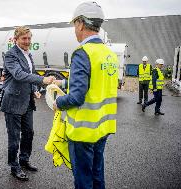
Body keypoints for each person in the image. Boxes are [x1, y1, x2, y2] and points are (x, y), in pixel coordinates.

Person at [53, 2, 118, 188]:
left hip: (83, 131)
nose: (75, 29)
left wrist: (58, 101)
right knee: (97, 175)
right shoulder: (109, 54)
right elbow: (96, 83)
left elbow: (76, 97)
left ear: (81, 23)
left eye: (74, 24)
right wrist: (63, 82)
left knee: (83, 180)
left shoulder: (82, 53)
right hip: (103, 127)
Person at [0, 26, 55, 181]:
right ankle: (14, 166)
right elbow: (18, 74)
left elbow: (30, 75)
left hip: (27, 101)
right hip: (13, 102)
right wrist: (42, 80)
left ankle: (24, 160)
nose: (27, 41)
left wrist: (35, 88)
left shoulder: (28, 55)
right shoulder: (11, 55)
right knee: (14, 137)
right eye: (24, 38)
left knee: (29, 133)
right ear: (16, 39)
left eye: (29, 38)